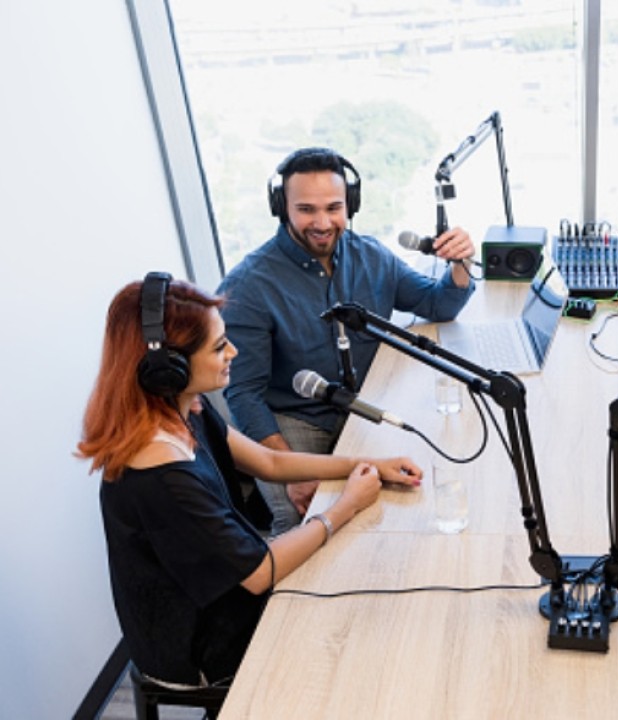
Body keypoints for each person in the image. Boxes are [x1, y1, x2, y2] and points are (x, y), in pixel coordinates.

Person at [78, 274, 422, 687]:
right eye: (220, 346)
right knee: (352, 628)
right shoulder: (161, 473)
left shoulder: (184, 410)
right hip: (195, 643)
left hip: (226, 592)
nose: (234, 352)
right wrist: (344, 507)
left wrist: (367, 464)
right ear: (169, 369)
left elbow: (269, 462)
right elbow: (261, 572)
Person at [218, 147, 476, 535]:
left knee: (426, 486)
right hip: (296, 420)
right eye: (306, 209)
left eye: (333, 207)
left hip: (367, 406)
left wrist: (460, 264)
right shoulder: (248, 285)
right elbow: (243, 395)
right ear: (281, 207)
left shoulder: (370, 254)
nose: (322, 222)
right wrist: (292, 474)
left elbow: (436, 303)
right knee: (301, 520)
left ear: (350, 204)